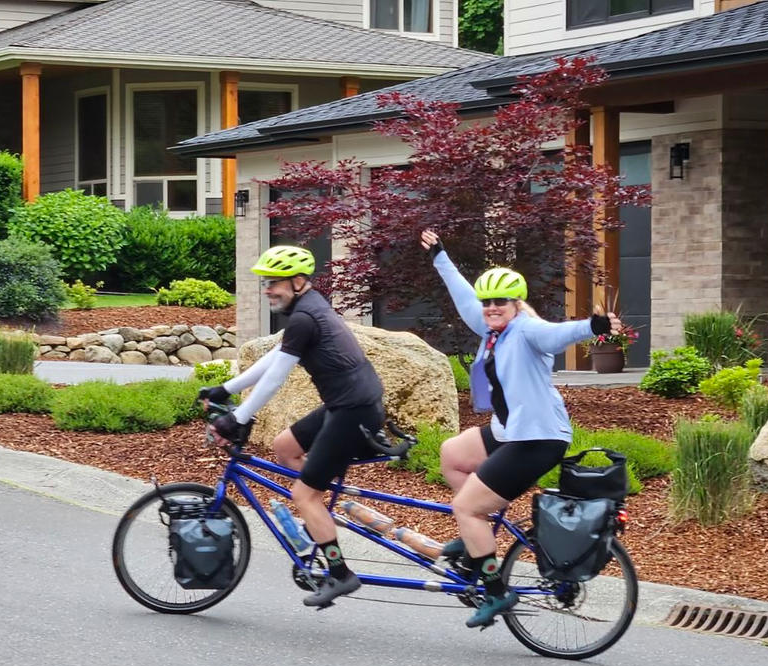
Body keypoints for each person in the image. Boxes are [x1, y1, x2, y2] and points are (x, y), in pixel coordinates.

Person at [420, 229, 622, 628]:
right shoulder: (492, 330)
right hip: (509, 431)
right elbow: (464, 298)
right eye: (488, 302)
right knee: (452, 456)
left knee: (465, 507)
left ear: (516, 304)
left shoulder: (526, 329)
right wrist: (440, 256)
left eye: (500, 302)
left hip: (537, 439)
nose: (491, 307)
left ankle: (496, 591)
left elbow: (556, 334)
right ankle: (480, 531)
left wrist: (593, 326)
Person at [199, 245, 385, 607]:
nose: (267, 289)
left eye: (274, 283)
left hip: (354, 412)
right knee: (285, 447)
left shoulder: (305, 316)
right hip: (344, 404)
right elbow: (274, 359)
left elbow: (275, 379)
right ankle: (319, 515)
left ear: (298, 282)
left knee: (303, 494)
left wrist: (238, 417)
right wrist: (226, 388)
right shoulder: (307, 309)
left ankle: (339, 574)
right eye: (265, 283)